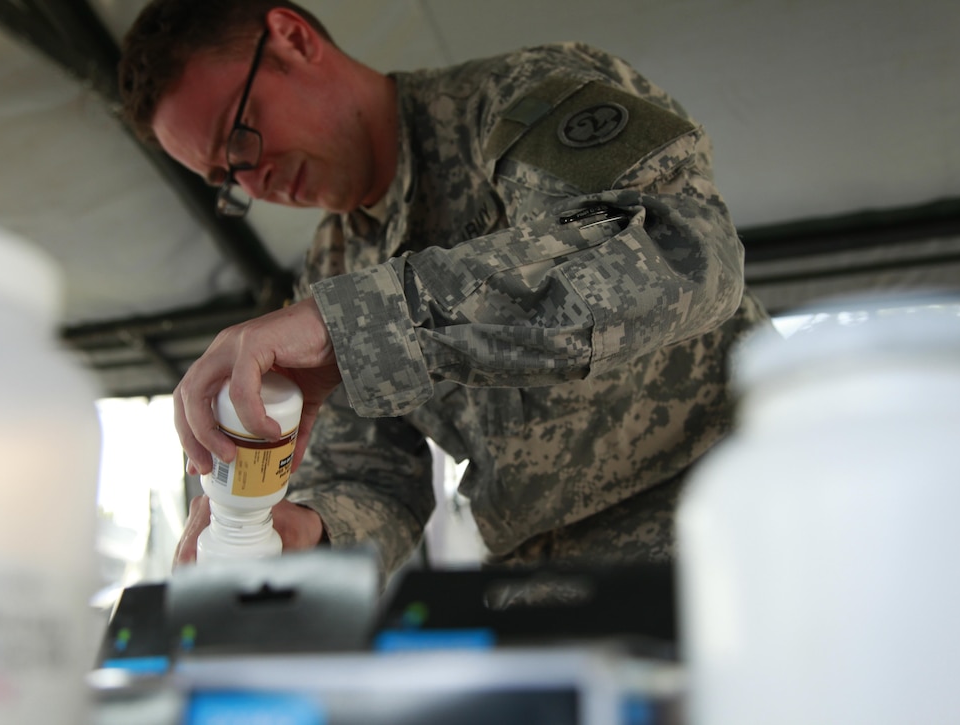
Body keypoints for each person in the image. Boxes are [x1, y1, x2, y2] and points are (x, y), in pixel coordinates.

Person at [118, 0, 771, 582]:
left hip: (728, 543)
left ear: (292, 38)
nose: (254, 183)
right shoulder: (332, 269)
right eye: (225, 179)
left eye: (240, 136)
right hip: (544, 593)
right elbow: (374, 479)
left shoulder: (520, 102)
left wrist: (352, 328)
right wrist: (310, 527)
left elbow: (677, 251)